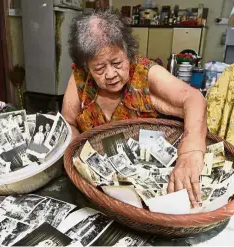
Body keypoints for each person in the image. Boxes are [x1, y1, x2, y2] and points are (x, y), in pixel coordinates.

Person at [62, 11, 207, 207]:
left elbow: (194, 98)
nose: (111, 74)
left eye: (117, 63)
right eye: (99, 68)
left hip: (143, 186)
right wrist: (76, 159)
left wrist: (190, 152)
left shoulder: (144, 72)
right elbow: (69, 122)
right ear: (86, 67)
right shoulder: (79, 78)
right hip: (99, 189)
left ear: (128, 52)